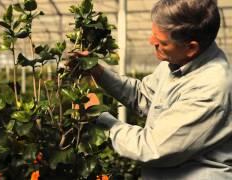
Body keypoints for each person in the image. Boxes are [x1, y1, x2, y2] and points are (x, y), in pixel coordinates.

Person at [86, 0, 232, 179]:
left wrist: (99, 119)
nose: (151, 41)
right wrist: (98, 72)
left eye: (161, 42)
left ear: (191, 48)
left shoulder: (211, 88)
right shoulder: (177, 61)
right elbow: (144, 96)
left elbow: (151, 148)